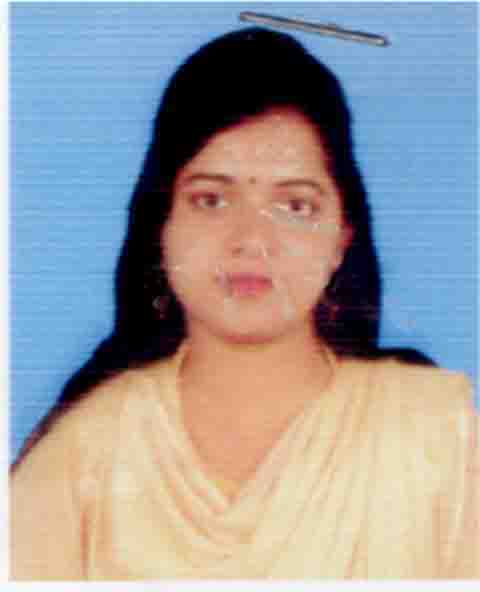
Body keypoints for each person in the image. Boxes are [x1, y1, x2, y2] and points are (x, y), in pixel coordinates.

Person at [11, 27, 478, 580]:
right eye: (211, 200)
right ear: (160, 225)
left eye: (295, 206)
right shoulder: (81, 457)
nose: (252, 240)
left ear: (342, 238)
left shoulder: (438, 436)